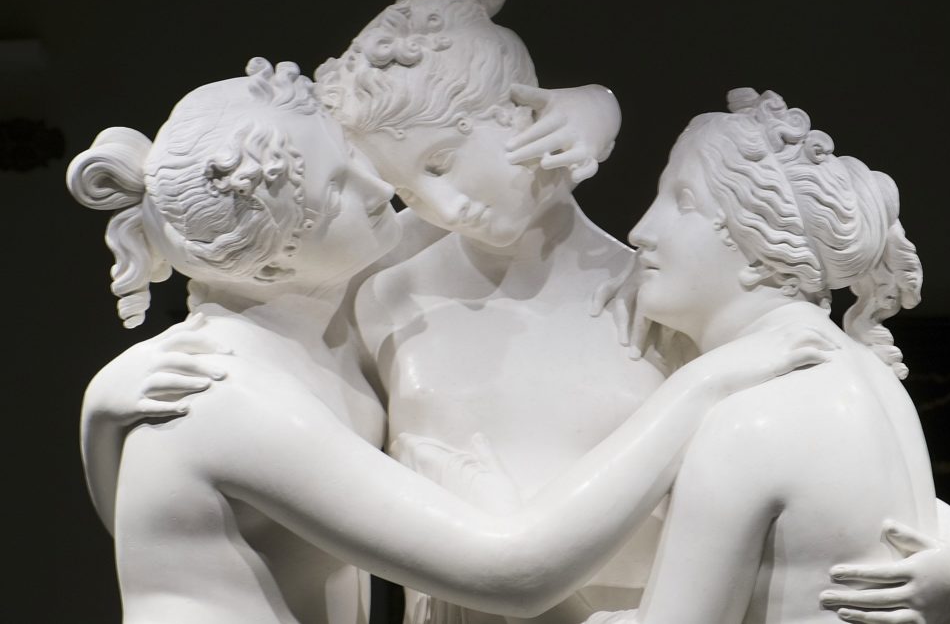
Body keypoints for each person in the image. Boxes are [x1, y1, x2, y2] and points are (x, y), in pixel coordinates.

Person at [314, 0, 950, 624]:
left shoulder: (653, 296)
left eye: (442, 163)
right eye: (405, 188)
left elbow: (813, 463)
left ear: (523, 113)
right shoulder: (385, 296)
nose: (444, 205)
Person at [67, 59, 827, 624]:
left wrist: (594, 107)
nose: (382, 189)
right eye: (339, 188)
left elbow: (490, 203)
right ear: (273, 262)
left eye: (352, 158)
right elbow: (514, 572)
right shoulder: (225, 393)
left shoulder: (308, 314)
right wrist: (704, 384)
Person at [580, 88, 950, 624]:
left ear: (760, 248)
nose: (640, 231)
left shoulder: (752, 416)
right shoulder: (870, 377)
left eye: (683, 201)